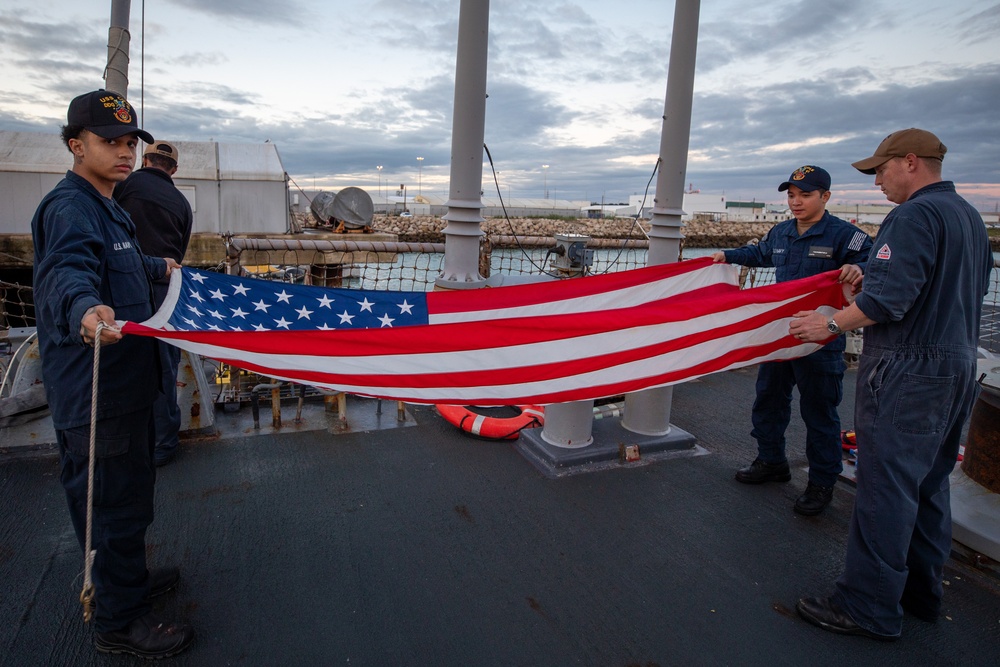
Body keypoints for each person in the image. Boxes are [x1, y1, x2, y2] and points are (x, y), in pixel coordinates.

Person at [791, 129, 992, 639]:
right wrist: (868, 276)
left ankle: (867, 606)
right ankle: (920, 593)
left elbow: (889, 304)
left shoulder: (912, 215)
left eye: (880, 170)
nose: (876, 180)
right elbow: (935, 286)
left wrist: (830, 324)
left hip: (908, 372)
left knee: (884, 489)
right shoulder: (968, 217)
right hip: (956, 367)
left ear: (910, 162)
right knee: (927, 484)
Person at [31, 89, 194, 658]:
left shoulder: (109, 203)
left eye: (130, 142)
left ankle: (124, 583)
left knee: (131, 495)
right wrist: (83, 309)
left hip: (128, 386)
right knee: (111, 504)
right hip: (97, 392)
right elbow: (68, 271)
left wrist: (158, 265)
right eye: (110, 142)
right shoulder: (70, 206)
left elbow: (116, 258)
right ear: (77, 146)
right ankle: (118, 622)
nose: (124, 152)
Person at [712, 166, 873, 515]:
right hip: (781, 335)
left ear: (825, 197)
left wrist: (860, 270)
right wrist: (727, 256)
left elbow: (871, 264)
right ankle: (771, 461)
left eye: (805, 195)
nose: (796, 202)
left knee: (819, 412)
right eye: (791, 195)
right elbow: (760, 254)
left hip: (819, 339)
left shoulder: (847, 236)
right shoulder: (782, 232)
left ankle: (821, 482)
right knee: (769, 399)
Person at [114, 140, 194, 467]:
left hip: (123, 287)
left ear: (144, 160)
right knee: (164, 369)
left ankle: (121, 441)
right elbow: (180, 253)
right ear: (173, 169)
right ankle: (163, 444)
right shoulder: (182, 203)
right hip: (166, 293)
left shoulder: (124, 186)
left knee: (120, 364)